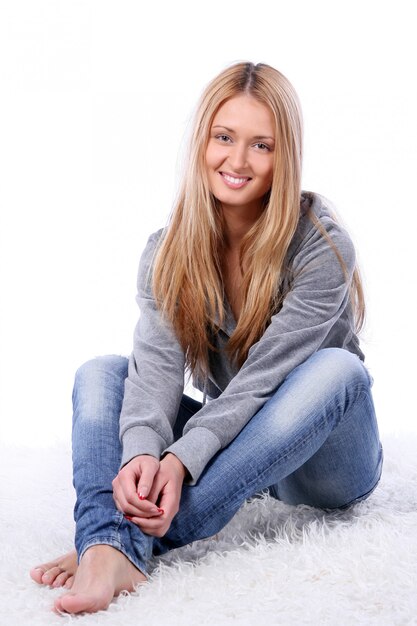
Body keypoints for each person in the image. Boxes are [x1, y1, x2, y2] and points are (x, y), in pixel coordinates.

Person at [30, 61, 383, 615]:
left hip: (327, 464)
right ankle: (104, 542)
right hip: (245, 453)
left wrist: (179, 463)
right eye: (225, 137)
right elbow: (155, 378)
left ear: (284, 157)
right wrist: (146, 455)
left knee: (337, 370)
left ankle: (122, 544)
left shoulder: (321, 247)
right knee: (102, 372)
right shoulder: (169, 250)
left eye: (261, 145)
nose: (238, 161)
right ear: (203, 141)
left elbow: (260, 383)